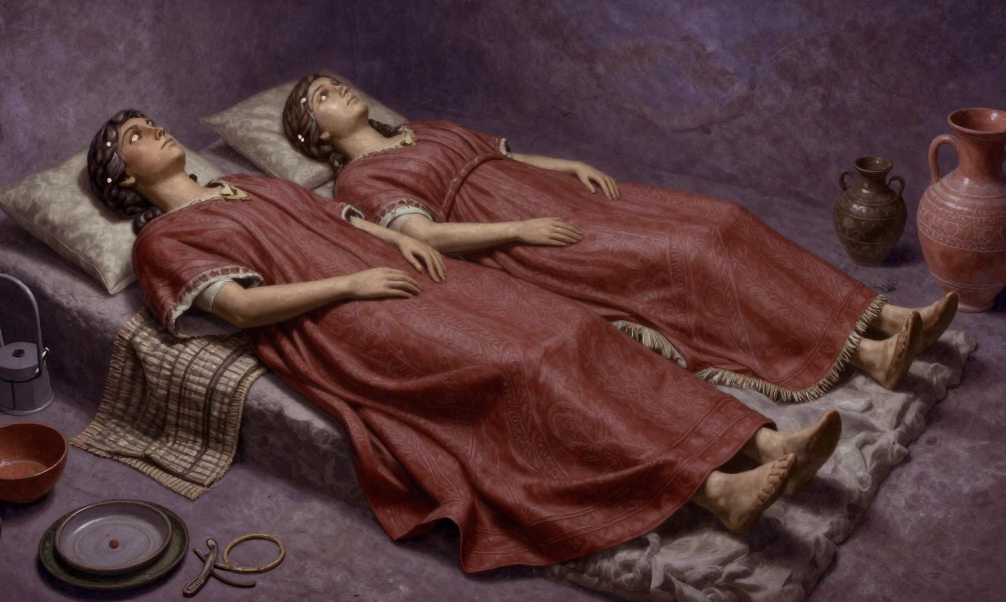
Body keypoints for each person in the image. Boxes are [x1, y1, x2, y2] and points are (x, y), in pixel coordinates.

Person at [86, 109, 845, 573]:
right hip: (339, 322)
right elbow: (245, 310)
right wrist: (350, 286)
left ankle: (755, 446)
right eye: (134, 136)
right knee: (524, 362)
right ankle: (714, 491)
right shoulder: (163, 242)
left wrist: (388, 237)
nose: (154, 129)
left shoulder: (247, 187)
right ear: (124, 179)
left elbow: (330, 219)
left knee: (569, 327)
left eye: (149, 122)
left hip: (390, 271)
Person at [283, 74, 959, 402]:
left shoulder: (425, 128)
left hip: (554, 195)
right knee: (691, 254)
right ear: (316, 137)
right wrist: (522, 228)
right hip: (525, 238)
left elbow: (508, 159)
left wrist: (566, 165)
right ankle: (866, 357)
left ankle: (887, 317)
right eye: (321, 97)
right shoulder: (361, 184)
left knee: (720, 218)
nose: (338, 89)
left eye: (335, 82)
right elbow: (427, 233)